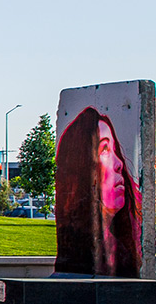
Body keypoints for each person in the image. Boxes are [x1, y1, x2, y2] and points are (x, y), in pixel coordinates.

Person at [55, 106, 141, 278]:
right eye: (105, 149)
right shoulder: (80, 255)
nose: (119, 164)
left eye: (115, 150)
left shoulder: (124, 251)